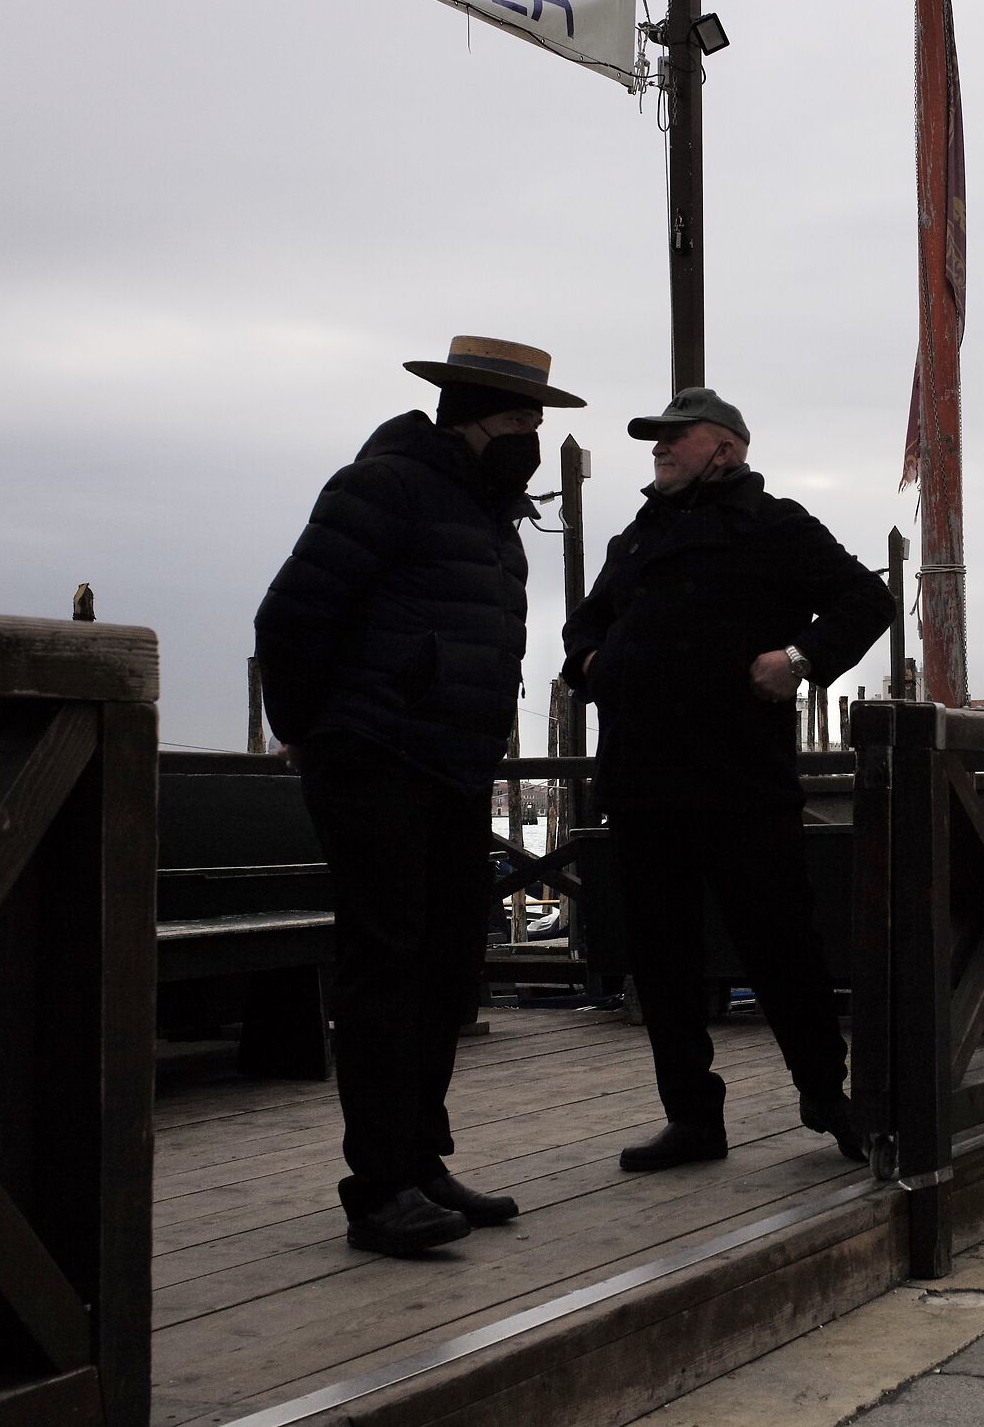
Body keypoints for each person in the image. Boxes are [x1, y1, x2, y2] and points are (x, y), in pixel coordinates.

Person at [254, 335, 582, 1255]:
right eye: (523, 420)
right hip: (376, 756)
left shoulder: (488, 513)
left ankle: (421, 1157)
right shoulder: (384, 487)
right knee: (387, 964)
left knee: (445, 963)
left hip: (451, 763)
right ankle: (380, 1184)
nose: (533, 437)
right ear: (474, 418)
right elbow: (290, 616)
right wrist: (312, 728)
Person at [562, 386, 895, 1171]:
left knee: (782, 948)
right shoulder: (637, 537)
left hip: (740, 776)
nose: (661, 448)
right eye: (656, 441)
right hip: (643, 779)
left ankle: (826, 1094)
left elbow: (866, 600)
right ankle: (691, 1118)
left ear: (728, 449)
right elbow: (584, 622)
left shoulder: (774, 525)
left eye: (678, 437)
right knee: (662, 959)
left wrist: (802, 661)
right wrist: (592, 664)